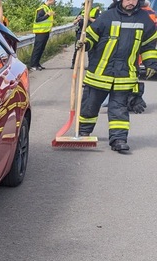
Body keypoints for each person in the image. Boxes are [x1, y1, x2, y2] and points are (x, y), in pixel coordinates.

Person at [76, 0, 157, 152]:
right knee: (90, 105)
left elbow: (148, 45)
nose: (131, 2)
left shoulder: (144, 19)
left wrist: (151, 63)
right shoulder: (107, 16)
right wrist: (84, 43)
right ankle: (83, 132)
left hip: (124, 75)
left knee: (119, 109)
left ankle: (118, 140)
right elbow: (92, 36)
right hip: (100, 73)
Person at [70, 3, 102, 69]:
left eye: (87, 5)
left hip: (90, 33)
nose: (85, 7)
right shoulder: (82, 12)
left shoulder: (95, 11)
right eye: (84, 5)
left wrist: (88, 18)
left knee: (91, 49)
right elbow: (74, 22)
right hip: (80, 32)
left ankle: (91, 65)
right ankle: (74, 64)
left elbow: (98, 21)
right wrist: (78, 19)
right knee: (77, 47)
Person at [29, 0, 56, 71]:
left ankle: (37, 64)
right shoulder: (42, 8)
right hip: (40, 32)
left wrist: (50, 14)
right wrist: (48, 15)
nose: (55, 1)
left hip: (45, 31)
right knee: (37, 48)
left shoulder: (48, 8)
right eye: (54, 0)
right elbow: (38, 19)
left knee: (41, 48)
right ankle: (33, 65)